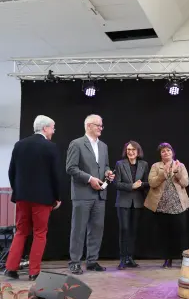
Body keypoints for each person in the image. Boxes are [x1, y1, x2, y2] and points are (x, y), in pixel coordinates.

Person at [5, 115, 62, 280]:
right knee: (40, 233)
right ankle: (34, 271)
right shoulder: (50, 147)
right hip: (42, 199)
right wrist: (57, 197)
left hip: (22, 197)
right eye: (52, 128)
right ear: (45, 128)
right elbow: (55, 175)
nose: (53, 131)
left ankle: (10, 268)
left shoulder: (19, 145)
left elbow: (11, 172)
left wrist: (18, 191)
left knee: (21, 231)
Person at [66, 114, 114, 275]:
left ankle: (92, 261)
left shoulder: (103, 146)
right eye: (98, 125)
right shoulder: (77, 144)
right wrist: (89, 179)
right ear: (88, 126)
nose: (101, 128)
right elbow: (71, 168)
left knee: (96, 229)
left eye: (101, 125)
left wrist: (108, 172)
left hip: (100, 195)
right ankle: (75, 262)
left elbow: (105, 165)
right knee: (78, 229)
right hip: (82, 194)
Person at [144, 143, 189, 268]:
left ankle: (184, 259)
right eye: (163, 151)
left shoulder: (180, 165)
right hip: (162, 205)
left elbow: (185, 183)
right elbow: (152, 183)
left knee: (181, 233)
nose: (166, 152)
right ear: (160, 154)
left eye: (168, 150)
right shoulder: (156, 166)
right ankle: (167, 259)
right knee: (165, 234)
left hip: (178, 205)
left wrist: (177, 172)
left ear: (172, 152)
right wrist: (163, 174)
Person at [114, 141, 149, 270]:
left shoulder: (144, 164)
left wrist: (141, 184)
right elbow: (116, 183)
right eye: (128, 149)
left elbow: (148, 182)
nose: (131, 152)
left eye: (133, 149)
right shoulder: (120, 164)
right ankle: (123, 259)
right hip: (123, 202)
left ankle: (130, 258)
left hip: (138, 202)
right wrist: (131, 186)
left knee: (133, 231)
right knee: (124, 229)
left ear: (138, 151)